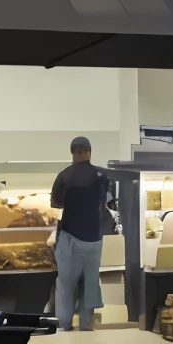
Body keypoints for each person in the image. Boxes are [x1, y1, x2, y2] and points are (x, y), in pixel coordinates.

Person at [50, 136, 110, 333]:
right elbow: (107, 202)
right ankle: (86, 323)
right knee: (90, 283)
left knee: (67, 284)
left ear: (72, 152)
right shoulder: (102, 175)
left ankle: (64, 324)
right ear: (89, 152)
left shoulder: (64, 176)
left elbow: (56, 204)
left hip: (70, 236)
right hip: (94, 237)